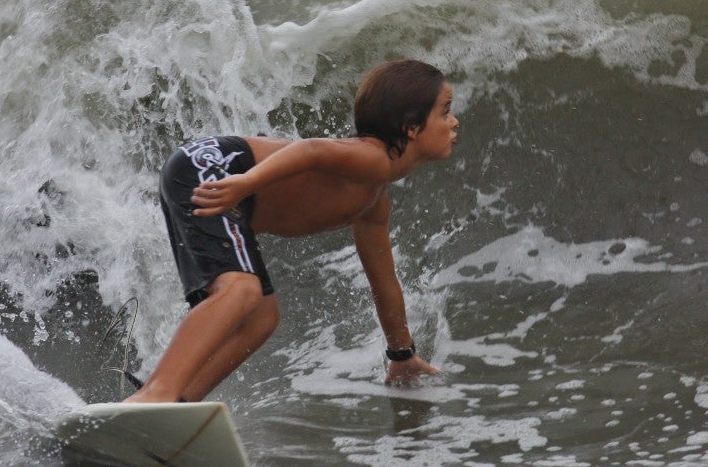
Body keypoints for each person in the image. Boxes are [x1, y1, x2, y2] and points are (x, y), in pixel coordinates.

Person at [125, 59, 458, 403]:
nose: (454, 122)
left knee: (262, 318)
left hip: (214, 177)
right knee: (242, 292)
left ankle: (179, 403)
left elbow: (384, 281)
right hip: (212, 169)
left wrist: (402, 356)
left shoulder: (374, 200)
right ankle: (157, 393)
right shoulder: (371, 158)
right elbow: (311, 149)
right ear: (411, 127)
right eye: (445, 112)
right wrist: (246, 182)